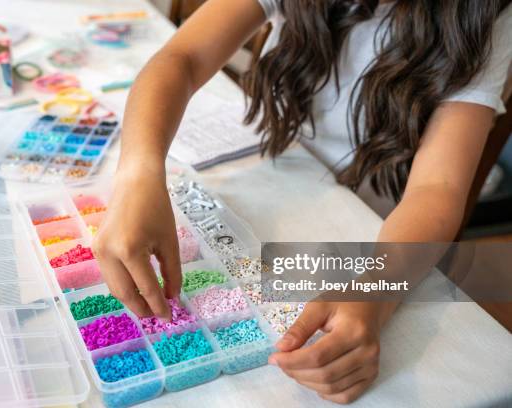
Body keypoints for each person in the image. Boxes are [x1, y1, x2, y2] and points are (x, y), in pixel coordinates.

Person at [93, 0, 512, 403]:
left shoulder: (486, 14)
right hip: (279, 179)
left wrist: (374, 293)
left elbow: (437, 188)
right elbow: (181, 57)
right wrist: (138, 174)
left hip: (372, 231)